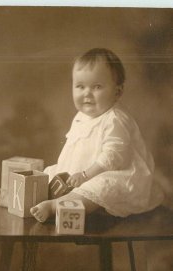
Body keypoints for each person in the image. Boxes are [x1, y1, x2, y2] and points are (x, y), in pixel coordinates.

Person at [30, 47, 163, 223]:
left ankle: (55, 206)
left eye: (97, 87)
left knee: (99, 188)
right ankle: (14, 198)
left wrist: (85, 175)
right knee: (49, 173)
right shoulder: (81, 116)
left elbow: (113, 157)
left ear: (118, 91)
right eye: (80, 86)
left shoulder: (115, 119)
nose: (87, 93)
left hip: (118, 175)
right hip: (82, 173)